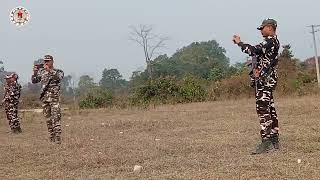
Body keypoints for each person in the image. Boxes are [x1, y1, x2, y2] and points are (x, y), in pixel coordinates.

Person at [232, 18, 280, 154]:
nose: (261, 31)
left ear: (269, 28)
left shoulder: (270, 41)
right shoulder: (272, 42)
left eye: (262, 28)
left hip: (264, 81)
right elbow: (259, 54)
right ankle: (274, 140)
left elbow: (253, 50)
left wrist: (239, 43)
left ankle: (266, 143)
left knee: (263, 110)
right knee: (270, 109)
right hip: (267, 80)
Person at [31, 55, 64, 144]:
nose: (46, 62)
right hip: (45, 99)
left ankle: (58, 139)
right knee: (48, 119)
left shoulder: (58, 71)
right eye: (45, 61)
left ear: (52, 61)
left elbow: (59, 78)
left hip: (54, 99)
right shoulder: (42, 72)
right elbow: (34, 81)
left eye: (48, 61)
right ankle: (52, 138)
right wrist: (34, 72)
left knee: (56, 118)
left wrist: (49, 70)